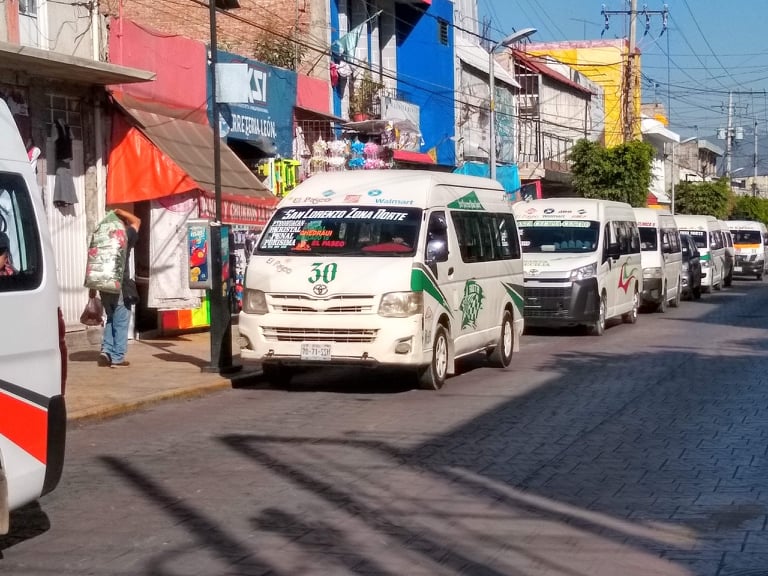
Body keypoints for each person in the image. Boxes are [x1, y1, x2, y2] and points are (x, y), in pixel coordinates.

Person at [96, 208, 141, 368]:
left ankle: (106, 350)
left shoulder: (102, 239)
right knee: (121, 321)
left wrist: (93, 289)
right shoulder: (124, 236)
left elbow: (93, 263)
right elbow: (137, 221)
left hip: (103, 284)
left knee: (110, 318)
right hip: (119, 284)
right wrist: (121, 211)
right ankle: (117, 357)